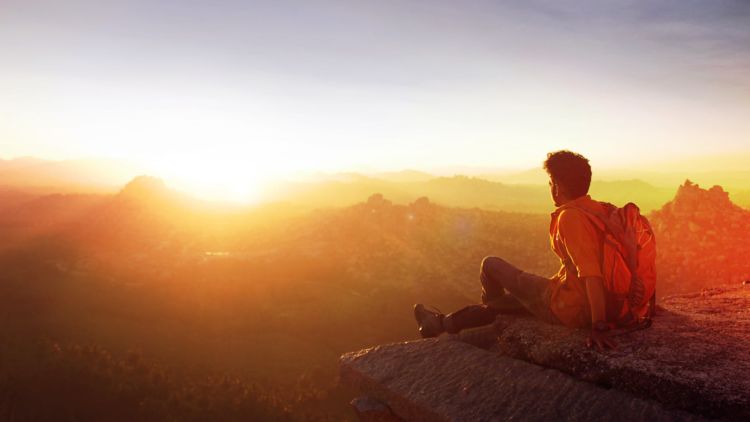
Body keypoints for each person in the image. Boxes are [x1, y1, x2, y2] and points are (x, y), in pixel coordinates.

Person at [414, 150, 618, 351]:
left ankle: (485, 321)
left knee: (490, 265)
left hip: (572, 308)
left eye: (550, 183)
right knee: (516, 300)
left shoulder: (570, 217)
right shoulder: (601, 210)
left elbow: (592, 275)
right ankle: (443, 323)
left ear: (557, 187)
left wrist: (598, 325)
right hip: (608, 304)